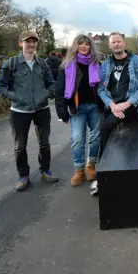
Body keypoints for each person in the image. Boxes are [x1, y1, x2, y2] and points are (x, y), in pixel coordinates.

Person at [0, 31, 59, 191]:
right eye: (27, 41)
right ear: (20, 43)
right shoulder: (11, 63)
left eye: (33, 41)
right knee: (20, 146)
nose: (31, 44)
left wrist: (46, 95)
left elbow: (52, 84)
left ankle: (45, 171)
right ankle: (23, 176)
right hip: (19, 111)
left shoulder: (42, 64)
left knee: (44, 143)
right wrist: (15, 96)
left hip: (42, 109)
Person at [55, 33, 104, 187]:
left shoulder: (97, 64)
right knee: (77, 140)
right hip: (77, 108)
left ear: (91, 46)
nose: (84, 46)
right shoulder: (67, 65)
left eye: (87, 43)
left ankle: (91, 165)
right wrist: (62, 112)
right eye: (80, 43)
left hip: (95, 106)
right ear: (75, 46)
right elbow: (59, 90)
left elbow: (103, 86)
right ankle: (79, 170)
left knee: (95, 137)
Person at [97, 32, 138, 159]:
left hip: (129, 102)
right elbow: (100, 89)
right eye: (113, 42)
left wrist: (127, 104)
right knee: (103, 128)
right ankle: (105, 163)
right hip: (113, 103)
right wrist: (111, 105)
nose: (116, 44)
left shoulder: (137, 61)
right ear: (110, 46)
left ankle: (102, 165)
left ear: (124, 43)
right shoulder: (105, 65)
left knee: (105, 127)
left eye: (119, 41)